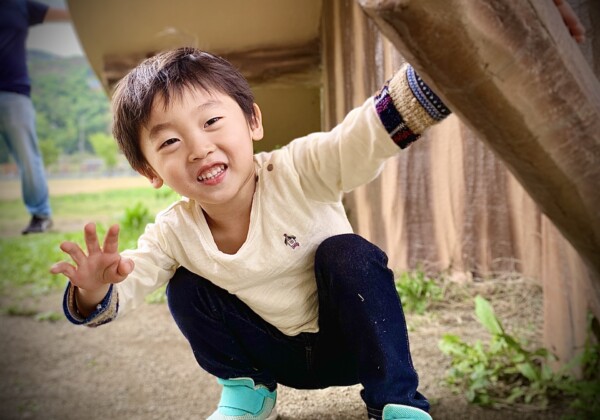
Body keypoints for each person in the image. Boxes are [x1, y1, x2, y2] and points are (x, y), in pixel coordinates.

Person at [50, 4, 585, 420]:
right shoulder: (174, 231)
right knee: (184, 286)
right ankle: (248, 393)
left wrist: (455, 58)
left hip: (350, 343)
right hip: (274, 355)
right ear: (150, 170)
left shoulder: (299, 171)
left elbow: (363, 135)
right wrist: (94, 290)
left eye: (212, 122)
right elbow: (131, 283)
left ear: (253, 121)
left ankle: (396, 401)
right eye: (169, 141)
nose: (198, 147)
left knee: (347, 253)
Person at [0, 0, 69, 234]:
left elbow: (71, 16)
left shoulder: (20, 5)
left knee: (28, 157)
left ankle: (41, 215)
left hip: (14, 93)